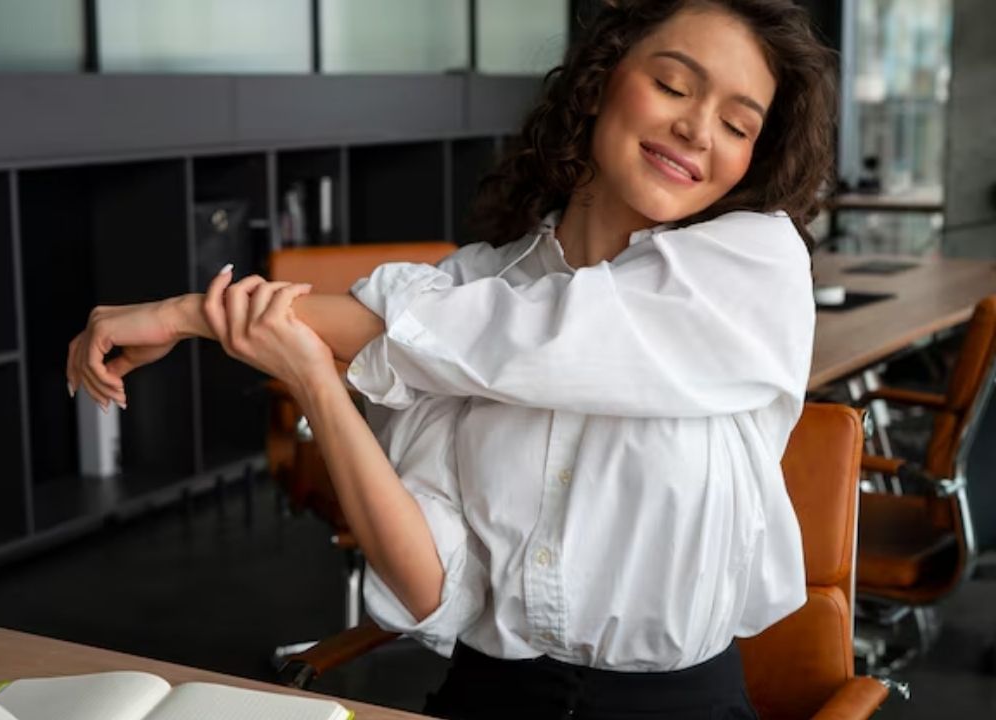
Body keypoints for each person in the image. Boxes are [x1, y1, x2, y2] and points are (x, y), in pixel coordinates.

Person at [66, 1, 837, 717]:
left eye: (739, 126)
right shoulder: (460, 293)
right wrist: (311, 378)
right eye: (674, 84)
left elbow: (529, 338)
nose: (700, 129)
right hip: (489, 696)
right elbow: (432, 586)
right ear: (602, 82)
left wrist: (196, 312)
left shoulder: (753, 264)